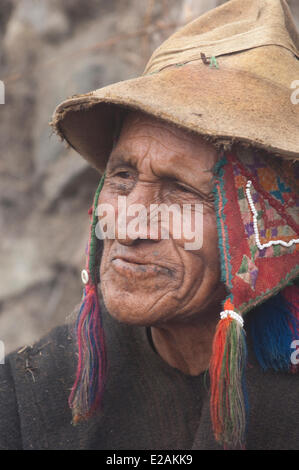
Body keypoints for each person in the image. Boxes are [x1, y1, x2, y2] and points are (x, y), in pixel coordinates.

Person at [0, 0, 298, 450]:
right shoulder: (34, 391)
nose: (127, 222)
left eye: (180, 190)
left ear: (269, 228)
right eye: (121, 176)